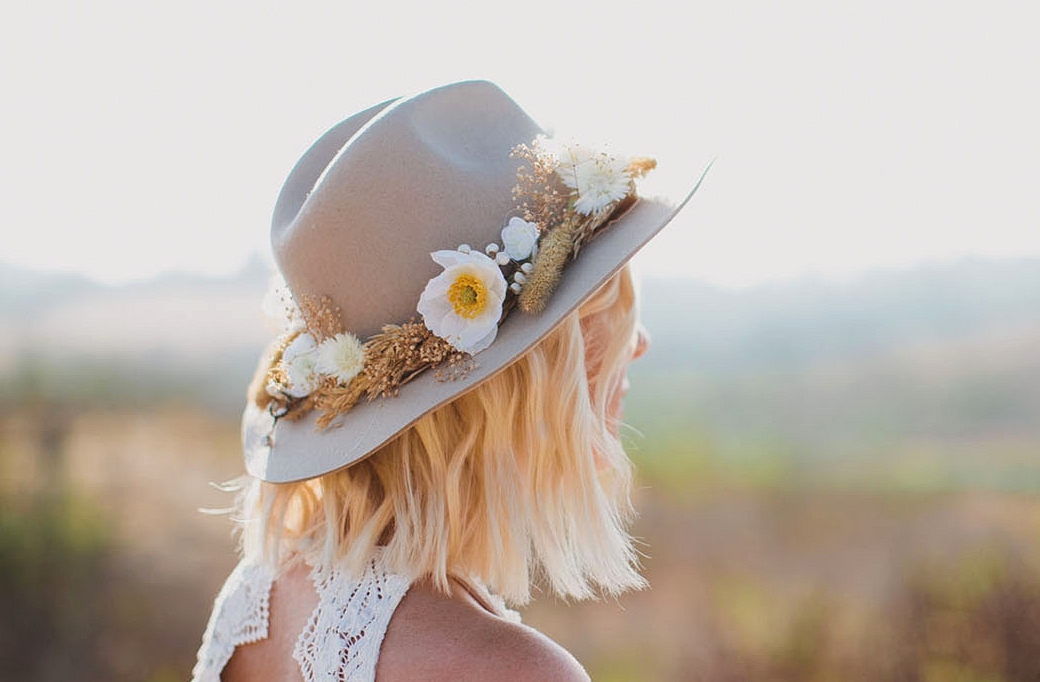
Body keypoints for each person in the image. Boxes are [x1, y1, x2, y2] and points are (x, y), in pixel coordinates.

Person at [191, 80, 703, 682]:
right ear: (520, 383)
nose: (637, 344)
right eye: (600, 312)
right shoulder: (513, 673)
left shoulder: (259, 599)